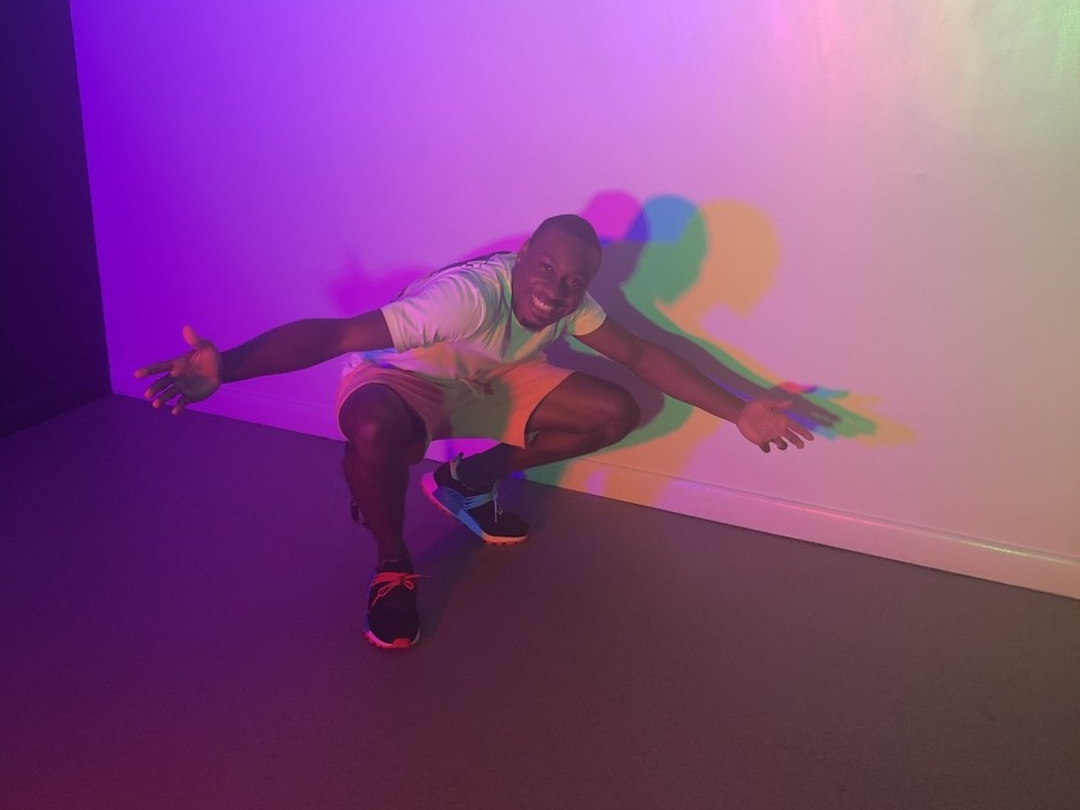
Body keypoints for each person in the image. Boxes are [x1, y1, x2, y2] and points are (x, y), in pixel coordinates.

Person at [136, 214, 812, 650]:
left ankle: (466, 482)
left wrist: (738, 411)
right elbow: (338, 335)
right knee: (376, 433)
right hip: (403, 380)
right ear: (523, 256)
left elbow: (639, 355)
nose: (556, 290)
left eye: (573, 282)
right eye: (546, 270)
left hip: (482, 380)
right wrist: (228, 367)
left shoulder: (571, 304)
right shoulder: (465, 299)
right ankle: (393, 567)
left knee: (614, 410)